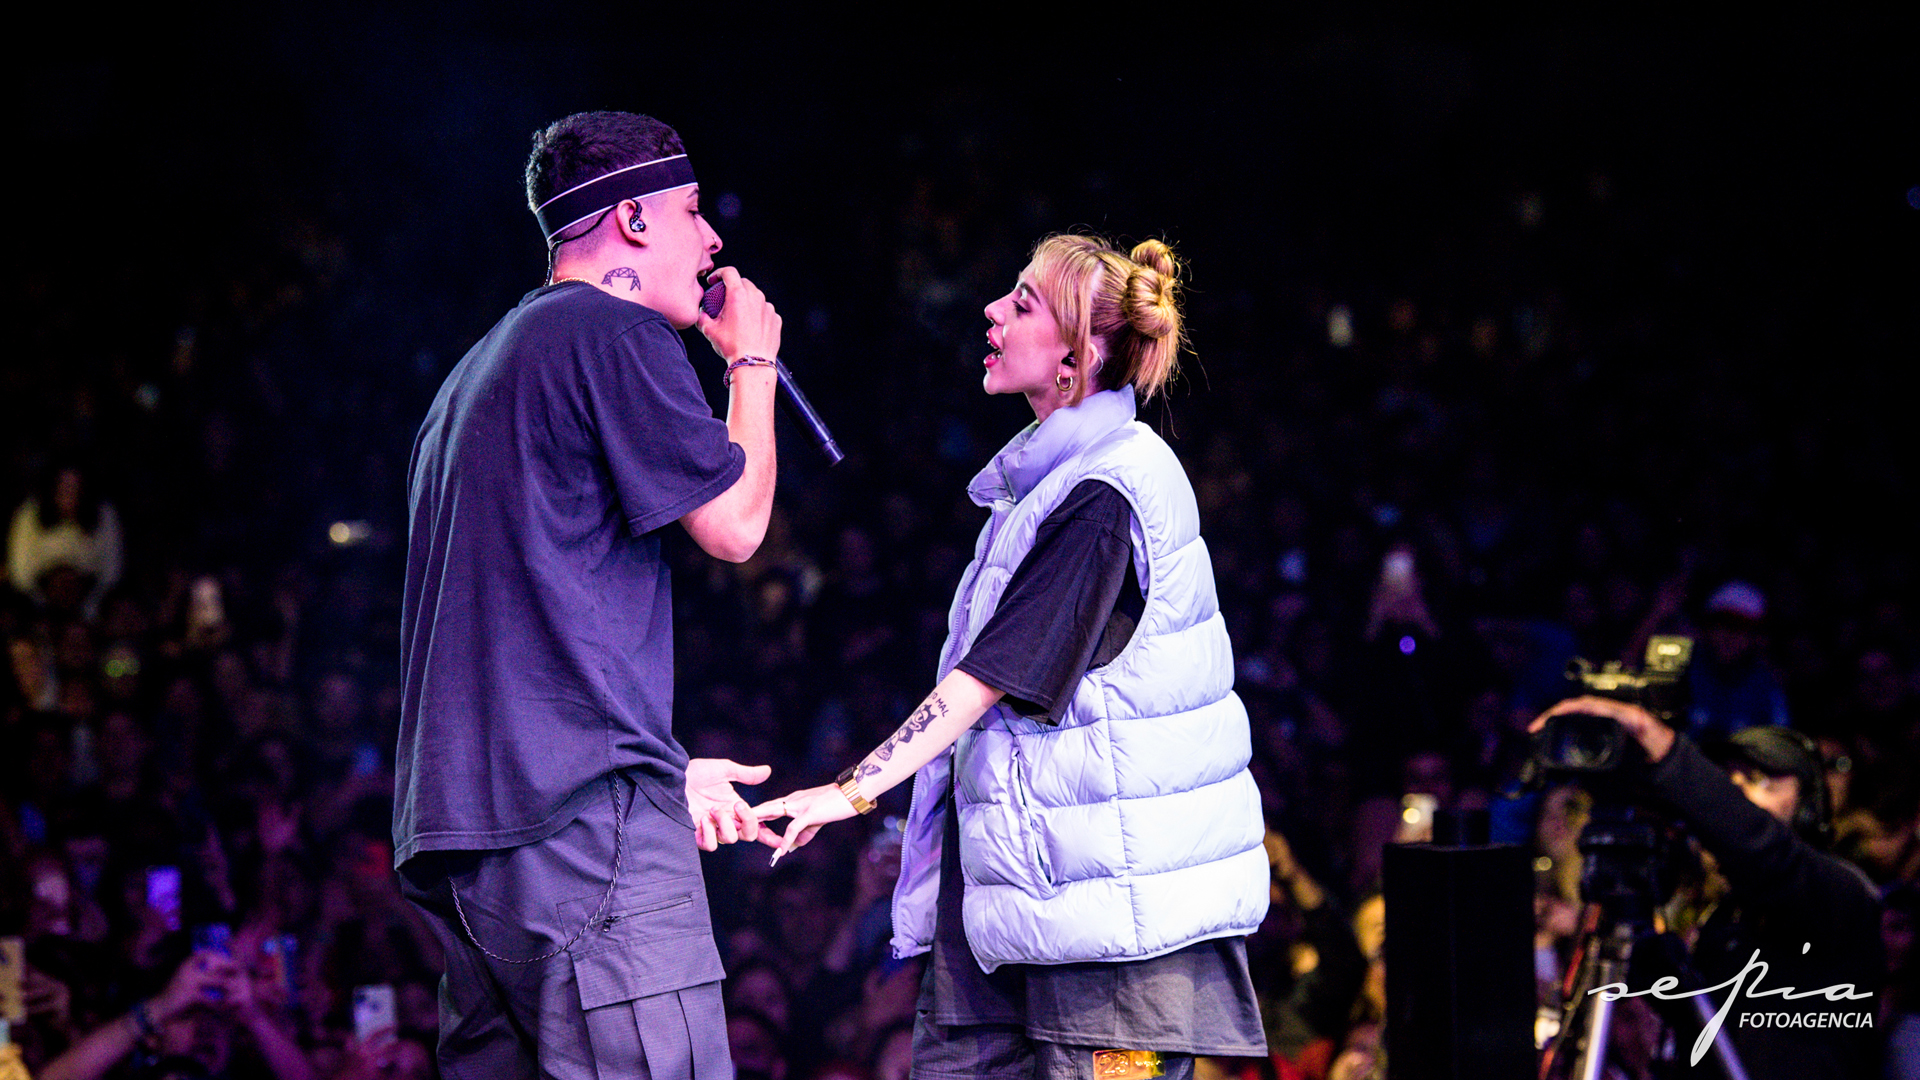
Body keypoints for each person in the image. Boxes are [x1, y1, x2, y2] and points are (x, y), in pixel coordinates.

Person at [759, 235, 1269, 1079]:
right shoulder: (1045, 490)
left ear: (1081, 353)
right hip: (1017, 912)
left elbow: (987, 681)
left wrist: (849, 791)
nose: (993, 311)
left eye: (1024, 301)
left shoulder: (1110, 490)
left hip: (1108, 933)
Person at [394, 111, 784, 1079]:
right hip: (578, 833)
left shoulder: (472, 376)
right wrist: (752, 363)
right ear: (636, 224)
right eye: (694, 213)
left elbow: (531, 619)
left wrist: (655, 771)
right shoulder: (610, 332)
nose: (713, 240)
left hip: (472, 842)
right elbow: (736, 527)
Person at [1531, 696, 1884, 1079]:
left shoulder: (1842, 893)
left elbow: (1761, 846)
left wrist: (1660, 746)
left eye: (1759, 781)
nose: (1738, 795)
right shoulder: (1722, 915)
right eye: (1728, 781)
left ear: (1808, 808)